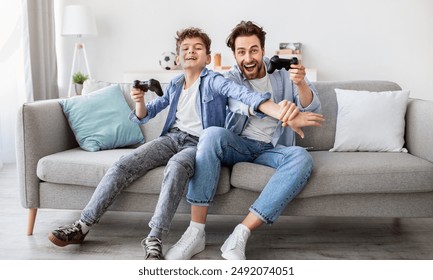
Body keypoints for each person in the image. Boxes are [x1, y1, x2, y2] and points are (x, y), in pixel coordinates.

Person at [47, 27, 306, 260]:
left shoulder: (215, 80)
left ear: (208, 57)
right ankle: (82, 226)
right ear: (178, 57)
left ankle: (154, 238)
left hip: (197, 144)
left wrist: (276, 110)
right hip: (172, 138)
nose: (191, 52)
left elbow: (241, 96)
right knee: (124, 164)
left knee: (176, 167)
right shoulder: (174, 84)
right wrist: (138, 100)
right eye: (185, 49)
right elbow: (145, 115)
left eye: (198, 48)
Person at [165, 21, 324, 260]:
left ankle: (240, 233)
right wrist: (283, 113)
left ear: (262, 50)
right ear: (234, 54)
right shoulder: (228, 78)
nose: (248, 58)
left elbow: (314, 107)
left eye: (253, 50)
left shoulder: (283, 74)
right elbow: (238, 104)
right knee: (210, 135)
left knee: (302, 158)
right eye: (241, 52)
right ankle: (195, 233)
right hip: (238, 145)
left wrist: (300, 84)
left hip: (273, 148)